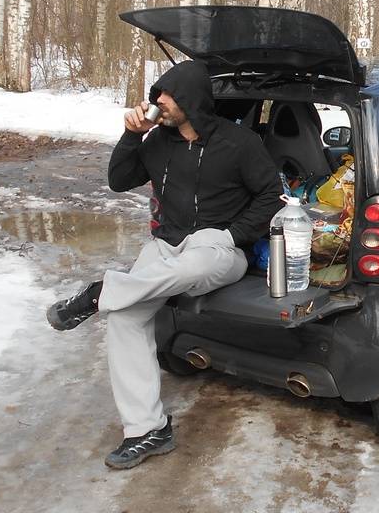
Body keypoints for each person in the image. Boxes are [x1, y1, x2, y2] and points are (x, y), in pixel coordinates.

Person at [45, 60, 282, 470]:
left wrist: (233, 235)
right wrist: (131, 136)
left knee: (187, 271)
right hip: (165, 244)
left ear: (190, 98)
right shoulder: (157, 141)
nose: (158, 102)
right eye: (157, 94)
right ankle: (147, 430)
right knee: (123, 319)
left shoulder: (238, 143)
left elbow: (271, 195)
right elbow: (118, 181)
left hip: (218, 246)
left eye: (166, 95)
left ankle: (101, 292)